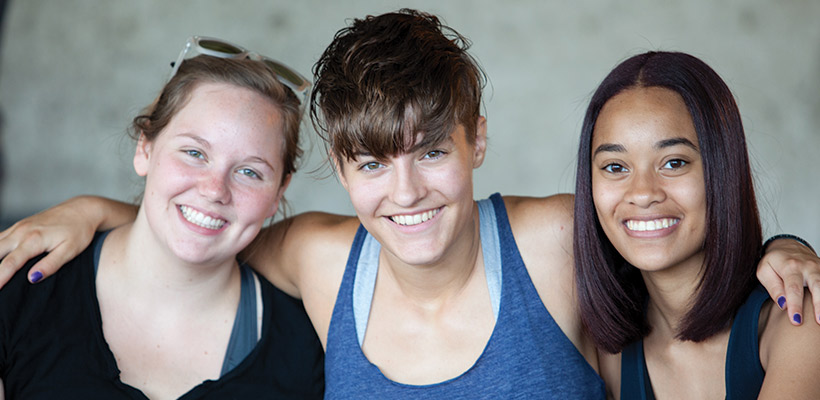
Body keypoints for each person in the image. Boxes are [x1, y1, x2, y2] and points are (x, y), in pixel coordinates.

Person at [0, 10, 818, 398]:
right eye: (372, 164)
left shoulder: (549, 242)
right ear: (337, 167)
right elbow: (207, 221)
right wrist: (93, 210)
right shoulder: (323, 261)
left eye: (432, 152)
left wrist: (784, 250)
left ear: (477, 141)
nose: (407, 192)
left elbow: (659, 222)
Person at [0, 38, 324, 399]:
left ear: (279, 193)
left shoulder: (306, 351)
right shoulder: (18, 290)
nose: (214, 189)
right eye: (194, 152)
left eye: (249, 172)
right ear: (145, 148)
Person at [573, 51, 820, 398]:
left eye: (674, 162)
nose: (642, 193)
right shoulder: (605, 351)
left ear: (722, 171)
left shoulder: (800, 319)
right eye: (615, 167)